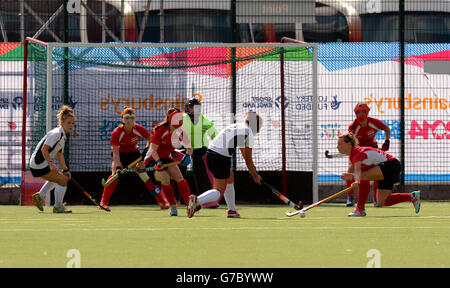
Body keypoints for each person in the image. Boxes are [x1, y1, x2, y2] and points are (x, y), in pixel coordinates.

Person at [186, 111, 263, 218]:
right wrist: (254, 175)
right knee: (218, 191)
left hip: (210, 154)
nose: (258, 131)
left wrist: (253, 170)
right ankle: (197, 200)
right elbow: (248, 160)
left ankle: (232, 210)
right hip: (220, 157)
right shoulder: (248, 133)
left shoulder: (238, 127)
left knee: (230, 177)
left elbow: (244, 153)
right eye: (259, 127)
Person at [100, 106, 169, 210]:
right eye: (127, 118)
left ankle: (161, 201)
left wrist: (145, 152)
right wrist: (118, 167)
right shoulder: (117, 133)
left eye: (132, 118)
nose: (129, 121)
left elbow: (152, 139)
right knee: (114, 175)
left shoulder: (138, 129)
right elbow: (116, 153)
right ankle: (103, 202)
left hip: (134, 154)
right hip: (120, 154)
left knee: (144, 175)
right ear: (122, 119)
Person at [337, 132, 421, 217]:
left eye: (340, 144)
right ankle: (412, 196)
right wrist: (349, 175)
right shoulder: (352, 155)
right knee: (382, 201)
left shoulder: (357, 153)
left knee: (363, 176)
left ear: (348, 144)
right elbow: (353, 170)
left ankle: (360, 209)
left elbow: (358, 171)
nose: (337, 147)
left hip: (390, 164)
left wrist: (356, 180)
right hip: (389, 167)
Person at [140, 107, 193, 216]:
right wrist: (158, 162)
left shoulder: (181, 132)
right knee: (165, 178)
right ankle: (173, 207)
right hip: (153, 160)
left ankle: (190, 206)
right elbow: (153, 151)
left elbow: (189, 148)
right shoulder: (161, 130)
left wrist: (187, 156)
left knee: (180, 179)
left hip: (166, 158)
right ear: (170, 119)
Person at [30, 105, 75, 213]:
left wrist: (65, 169)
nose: (71, 126)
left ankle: (40, 196)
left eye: (72, 123)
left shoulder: (62, 136)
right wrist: (50, 164)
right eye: (69, 123)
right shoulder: (56, 134)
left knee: (61, 176)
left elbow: (59, 154)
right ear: (62, 122)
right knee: (62, 180)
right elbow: (44, 150)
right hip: (38, 164)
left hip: (42, 163)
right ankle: (58, 206)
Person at [345, 102, 391, 208]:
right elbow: (351, 142)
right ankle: (350, 197)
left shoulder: (374, 122)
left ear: (367, 112)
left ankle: (375, 199)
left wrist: (386, 141)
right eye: (358, 112)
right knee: (350, 170)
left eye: (363, 112)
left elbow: (386, 129)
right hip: (358, 151)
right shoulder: (353, 127)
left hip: (372, 151)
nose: (361, 115)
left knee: (376, 173)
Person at [181, 98, 220, 208]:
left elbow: (215, 134)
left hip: (200, 149)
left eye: (197, 107)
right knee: (178, 173)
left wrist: (217, 145)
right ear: (187, 108)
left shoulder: (203, 119)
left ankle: (208, 201)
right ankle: (176, 200)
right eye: (192, 107)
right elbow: (175, 133)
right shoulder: (181, 119)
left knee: (202, 173)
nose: (195, 109)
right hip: (184, 149)